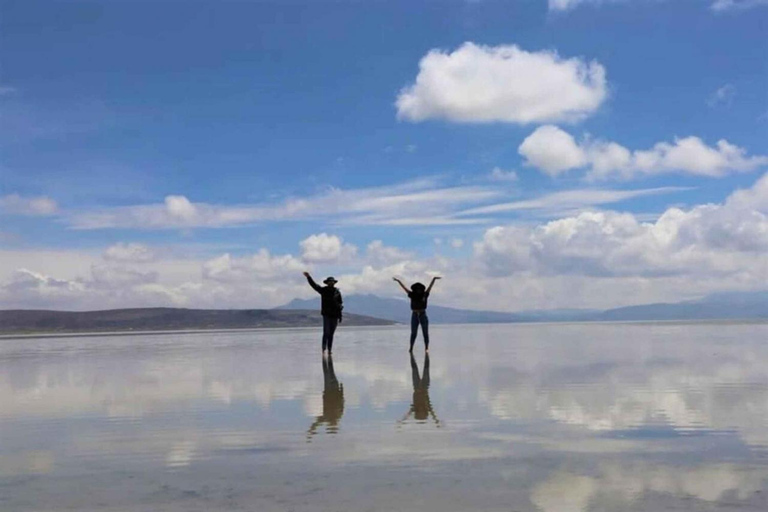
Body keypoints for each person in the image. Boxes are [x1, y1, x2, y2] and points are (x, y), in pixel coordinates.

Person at [393, 275, 440, 353]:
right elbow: (404, 288)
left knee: (425, 332)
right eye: (417, 289)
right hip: (414, 315)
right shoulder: (412, 295)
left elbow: (430, 287)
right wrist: (398, 281)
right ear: (415, 289)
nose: (418, 290)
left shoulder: (425, 295)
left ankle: (426, 348)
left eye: (419, 289)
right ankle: (411, 347)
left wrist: (433, 279)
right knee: (413, 333)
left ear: (421, 289)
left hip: (423, 314)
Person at [303, 271, 343, 354]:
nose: (331, 283)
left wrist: (340, 316)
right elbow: (314, 286)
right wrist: (308, 277)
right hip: (326, 315)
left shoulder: (337, 292)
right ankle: (324, 348)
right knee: (326, 332)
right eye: (330, 282)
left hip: (335, 316)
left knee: (331, 333)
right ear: (327, 283)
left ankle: (330, 350)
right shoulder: (323, 290)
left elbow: (340, 305)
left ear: (334, 283)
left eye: (332, 282)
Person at [307, 355, 345, 440]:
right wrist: (312, 430)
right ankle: (327, 357)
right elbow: (342, 401)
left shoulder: (329, 416)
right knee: (329, 371)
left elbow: (317, 422)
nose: (333, 423)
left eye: (332, 425)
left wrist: (311, 431)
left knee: (328, 371)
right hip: (332, 389)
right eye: (334, 425)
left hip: (329, 389)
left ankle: (326, 358)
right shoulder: (336, 415)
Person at [398, 353, 440, 427]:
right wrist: (436, 420)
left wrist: (402, 421)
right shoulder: (426, 407)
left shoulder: (415, 407)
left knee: (415, 368)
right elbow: (433, 413)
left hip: (417, 386)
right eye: (422, 414)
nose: (421, 412)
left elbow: (408, 413)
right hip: (424, 386)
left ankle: (416, 354)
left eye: (420, 414)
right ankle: (422, 354)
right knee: (425, 368)